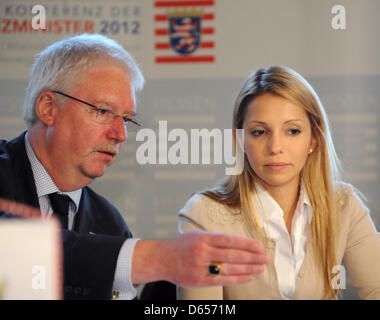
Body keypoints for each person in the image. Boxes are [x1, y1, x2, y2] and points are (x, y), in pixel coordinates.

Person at [0, 34, 271, 300]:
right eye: (103, 111)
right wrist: (158, 258)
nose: (120, 134)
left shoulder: (110, 224)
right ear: (49, 108)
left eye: (127, 120)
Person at [177, 66, 380, 300]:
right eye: (259, 132)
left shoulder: (343, 204)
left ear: (314, 138)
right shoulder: (204, 214)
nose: (275, 148)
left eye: (292, 131)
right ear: (241, 140)